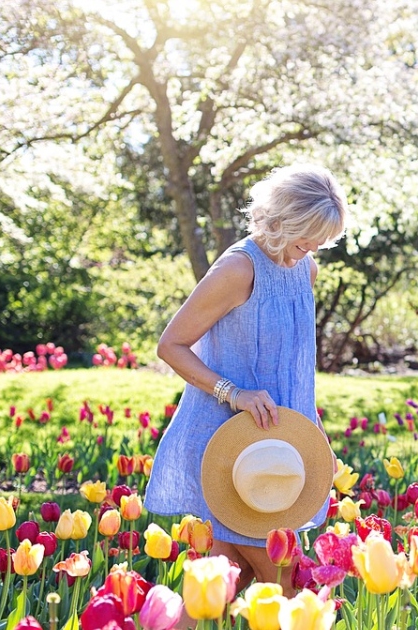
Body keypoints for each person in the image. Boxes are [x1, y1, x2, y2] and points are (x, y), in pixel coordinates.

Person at [146, 164, 347, 595]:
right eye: (304, 239)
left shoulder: (304, 269)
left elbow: (296, 370)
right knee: (295, 590)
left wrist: (316, 437)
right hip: (239, 450)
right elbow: (171, 345)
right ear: (280, 221)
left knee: (219, 588)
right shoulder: (239, 269)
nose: (310, 251)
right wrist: (232, 393)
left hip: (282, 447)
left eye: (319, 242)